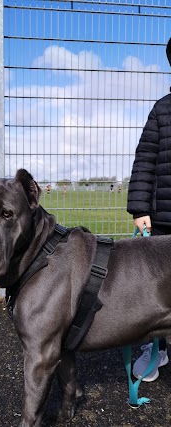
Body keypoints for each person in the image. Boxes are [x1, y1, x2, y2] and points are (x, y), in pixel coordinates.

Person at [126, 37, 171, 382]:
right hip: (163, 223)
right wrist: (141, 208)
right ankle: (156, 350)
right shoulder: (162, 109)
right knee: (155, 289)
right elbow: (145, 161)